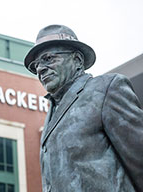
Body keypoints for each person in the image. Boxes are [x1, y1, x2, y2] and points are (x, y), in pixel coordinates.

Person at [24, 25, 143, 192]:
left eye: (48, 58)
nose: (40, 69)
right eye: (36, 65)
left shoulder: (106, 89)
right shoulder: (52, 111)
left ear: (77, 60)